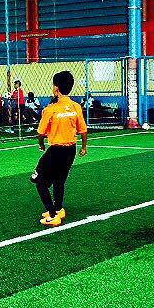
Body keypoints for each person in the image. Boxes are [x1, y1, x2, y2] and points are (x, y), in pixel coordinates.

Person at [33, 71, 88, 227]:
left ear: (56, 88)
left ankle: (52, 215)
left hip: (56, 150)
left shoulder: (50, 109)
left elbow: (40, 133)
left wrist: (41, 144)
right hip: (71, 150)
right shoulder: (76, 107)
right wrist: (84, 147)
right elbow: (83, 130)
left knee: (39, 182)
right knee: (59, 180)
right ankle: (58, 209)